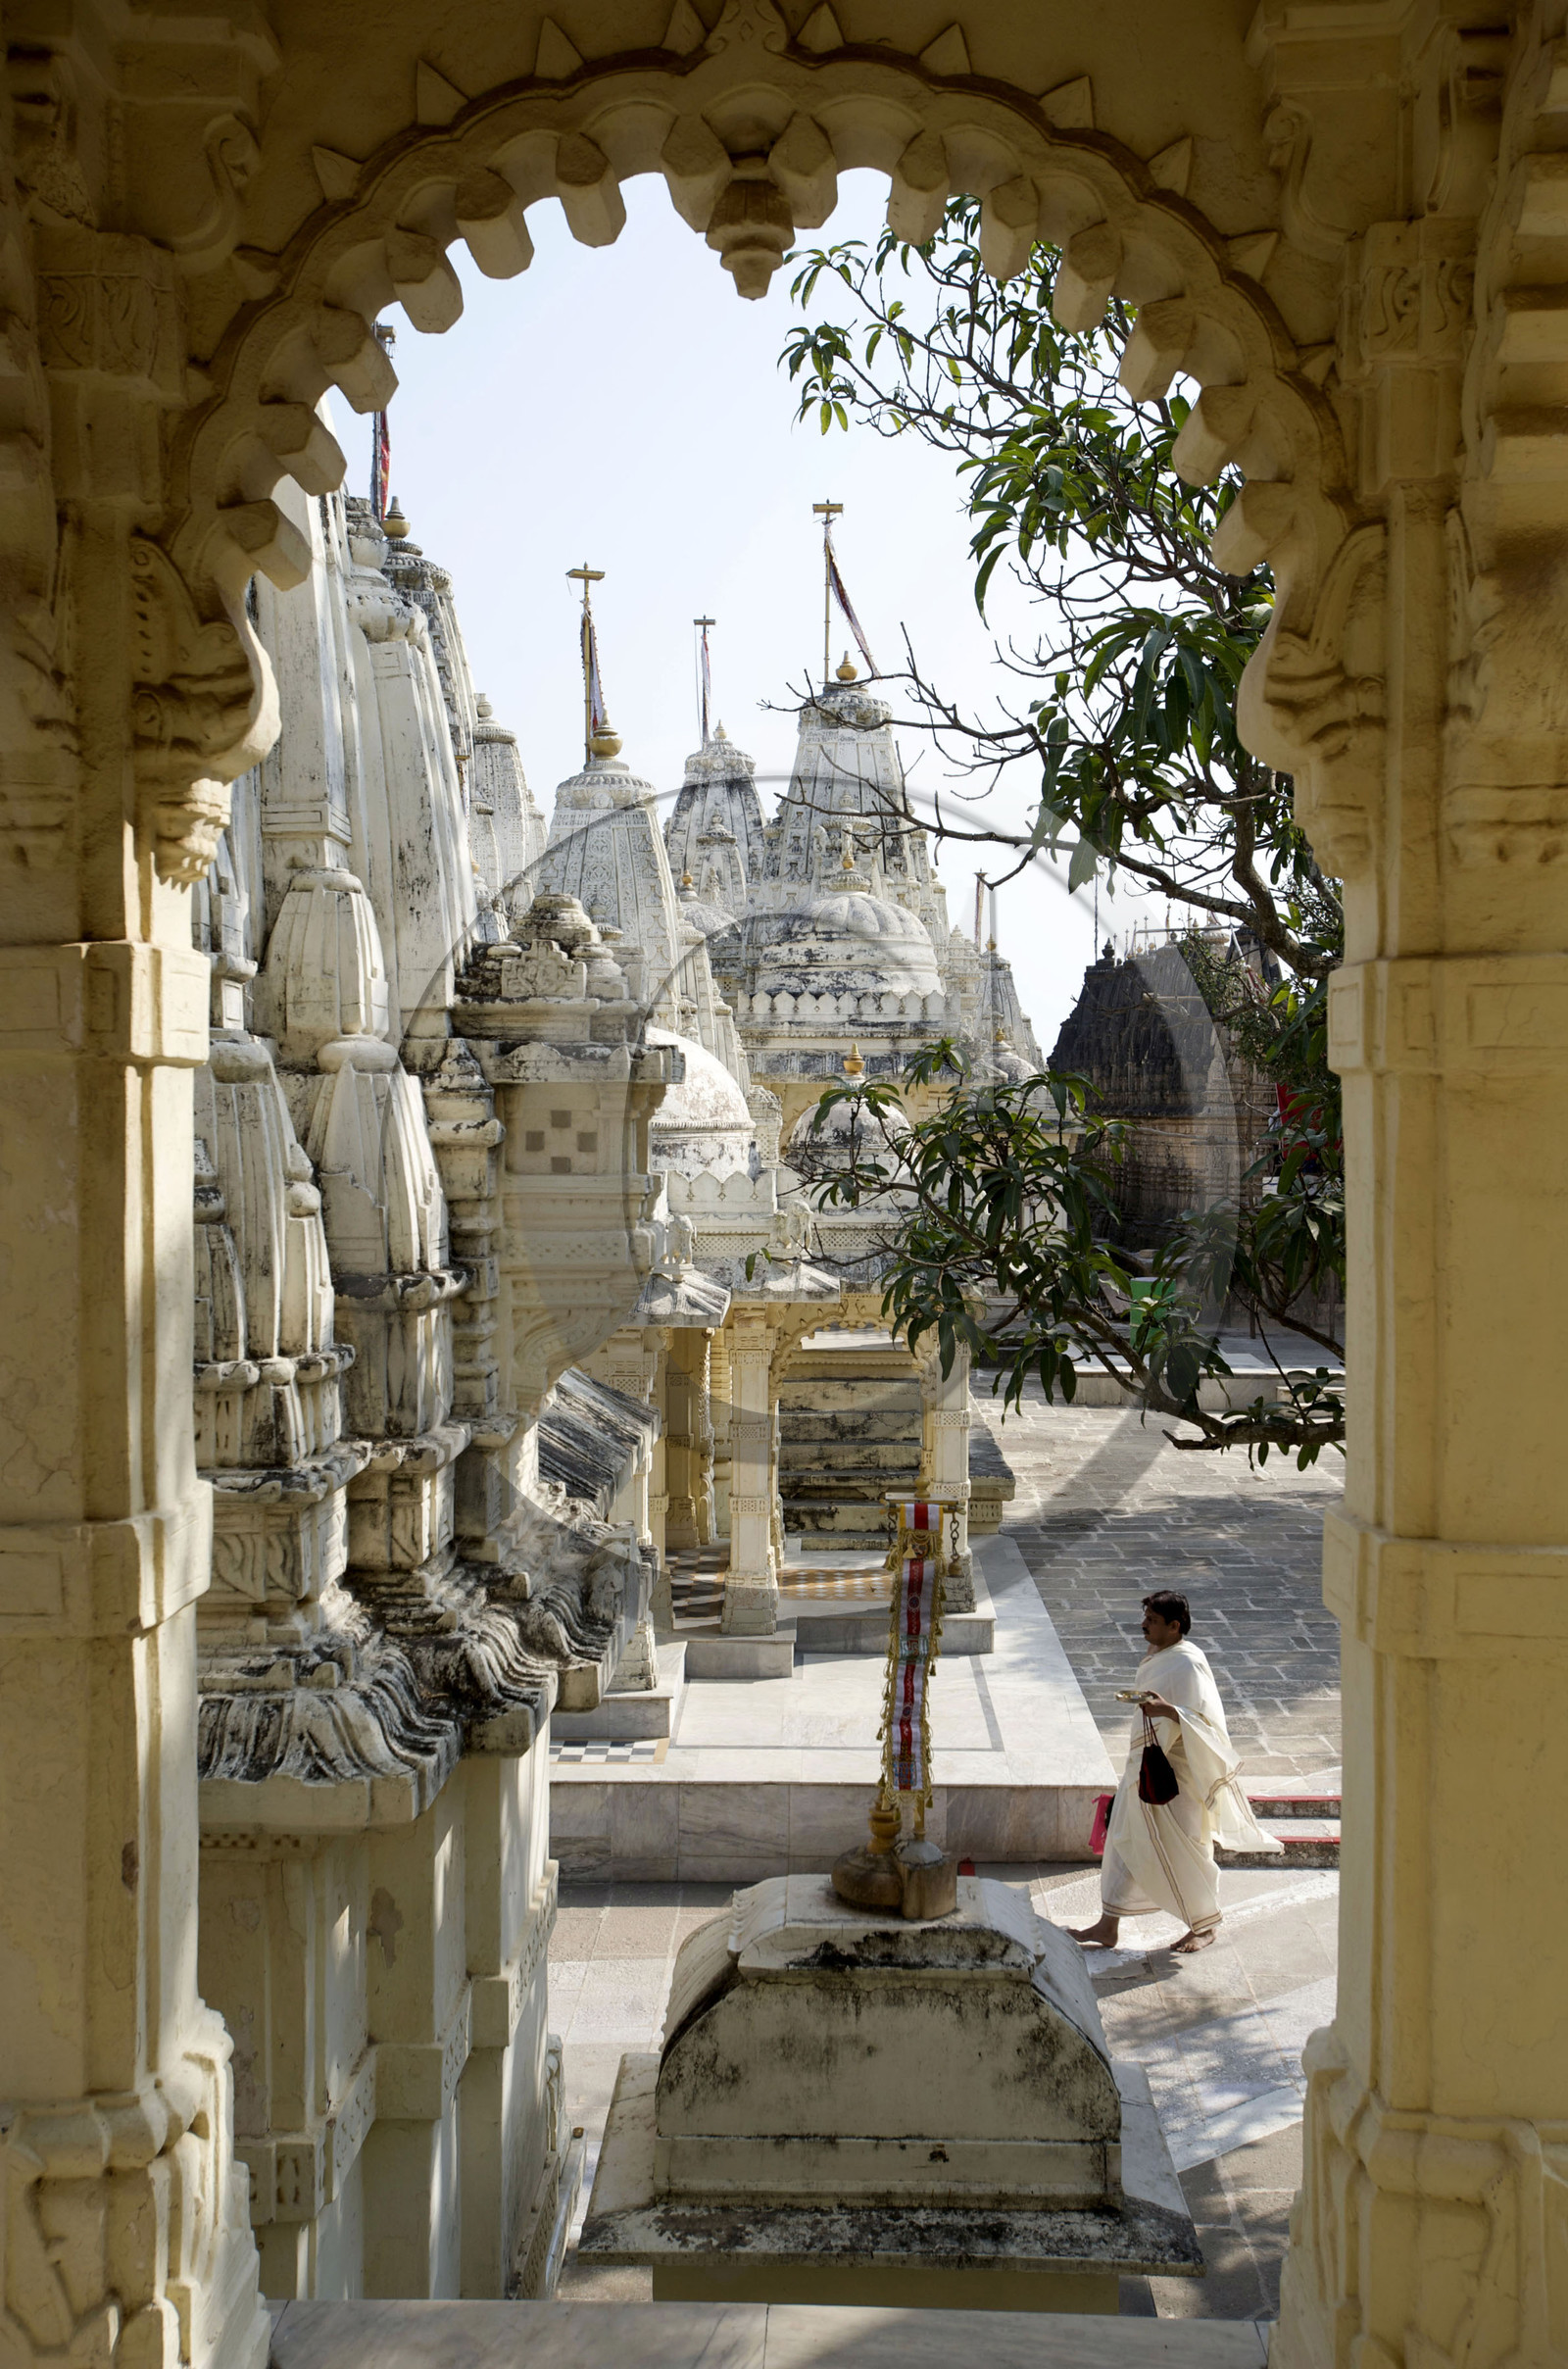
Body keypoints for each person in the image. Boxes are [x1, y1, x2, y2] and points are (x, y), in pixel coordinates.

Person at [1070, 1589, 1281, 1955]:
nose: (1143, 1626)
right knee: (1122, 1841)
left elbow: (1207, 1725)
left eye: (1151, 1620)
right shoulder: (1160, 1655)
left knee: (1186, 1852)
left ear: (1174, 1625)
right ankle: (1108, 1925)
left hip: (1177, 1778)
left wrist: (1169, 1712)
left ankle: (1205, 1925)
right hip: (1142, 1767)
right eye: (1145, 1618)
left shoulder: (1189, 1664)